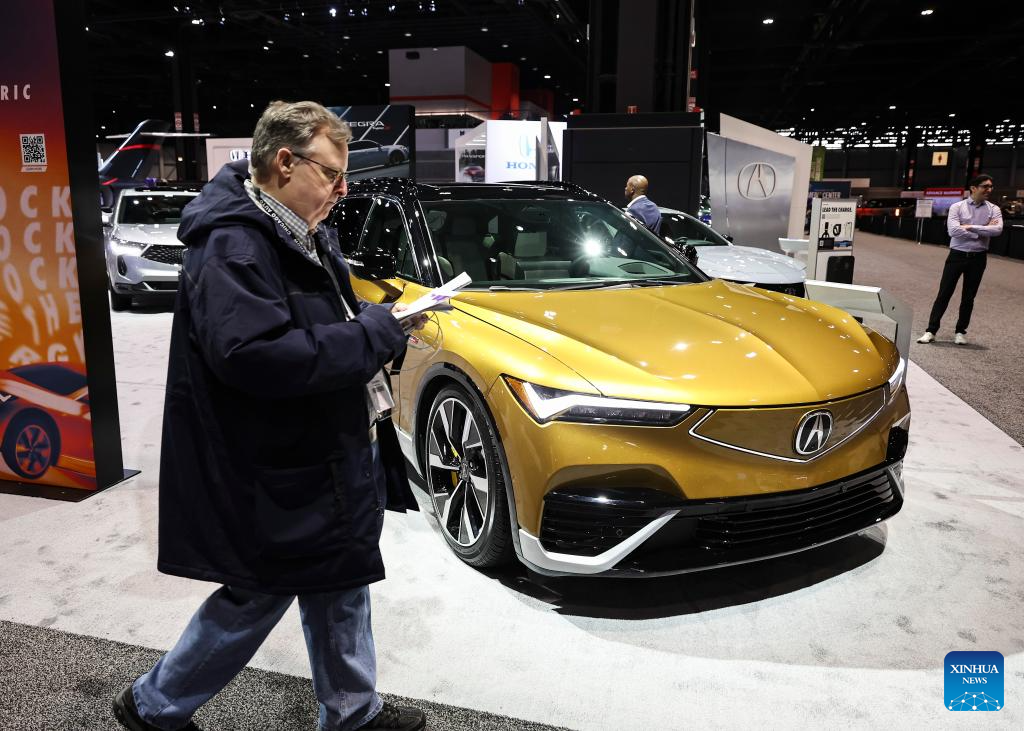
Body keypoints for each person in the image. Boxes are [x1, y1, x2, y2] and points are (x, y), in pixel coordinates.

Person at [112, 101, 427, 731]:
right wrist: (372, 334)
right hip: (281, 461)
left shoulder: (293, 228)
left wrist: (372, 321)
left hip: (323, 447)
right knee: (260, 591)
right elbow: (255, 357)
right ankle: (153, 707)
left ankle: (352, 712)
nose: (343, 190)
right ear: (285, 162)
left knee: (340, 578)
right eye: (332, 174)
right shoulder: (234, 244)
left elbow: (309, 321)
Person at [917, 174, 1002, 346]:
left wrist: (970, 227)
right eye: (985, 186)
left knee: (968, 297)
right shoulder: (957, 207)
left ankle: (960, 332)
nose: (989, 190)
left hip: (978, 258)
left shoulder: (994, 209)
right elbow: (953, 231)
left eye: (990, 186)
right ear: (973, 188)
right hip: (957, 255)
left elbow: (997, 230)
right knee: (944, 294)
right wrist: (982, 231)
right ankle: (931, 330)